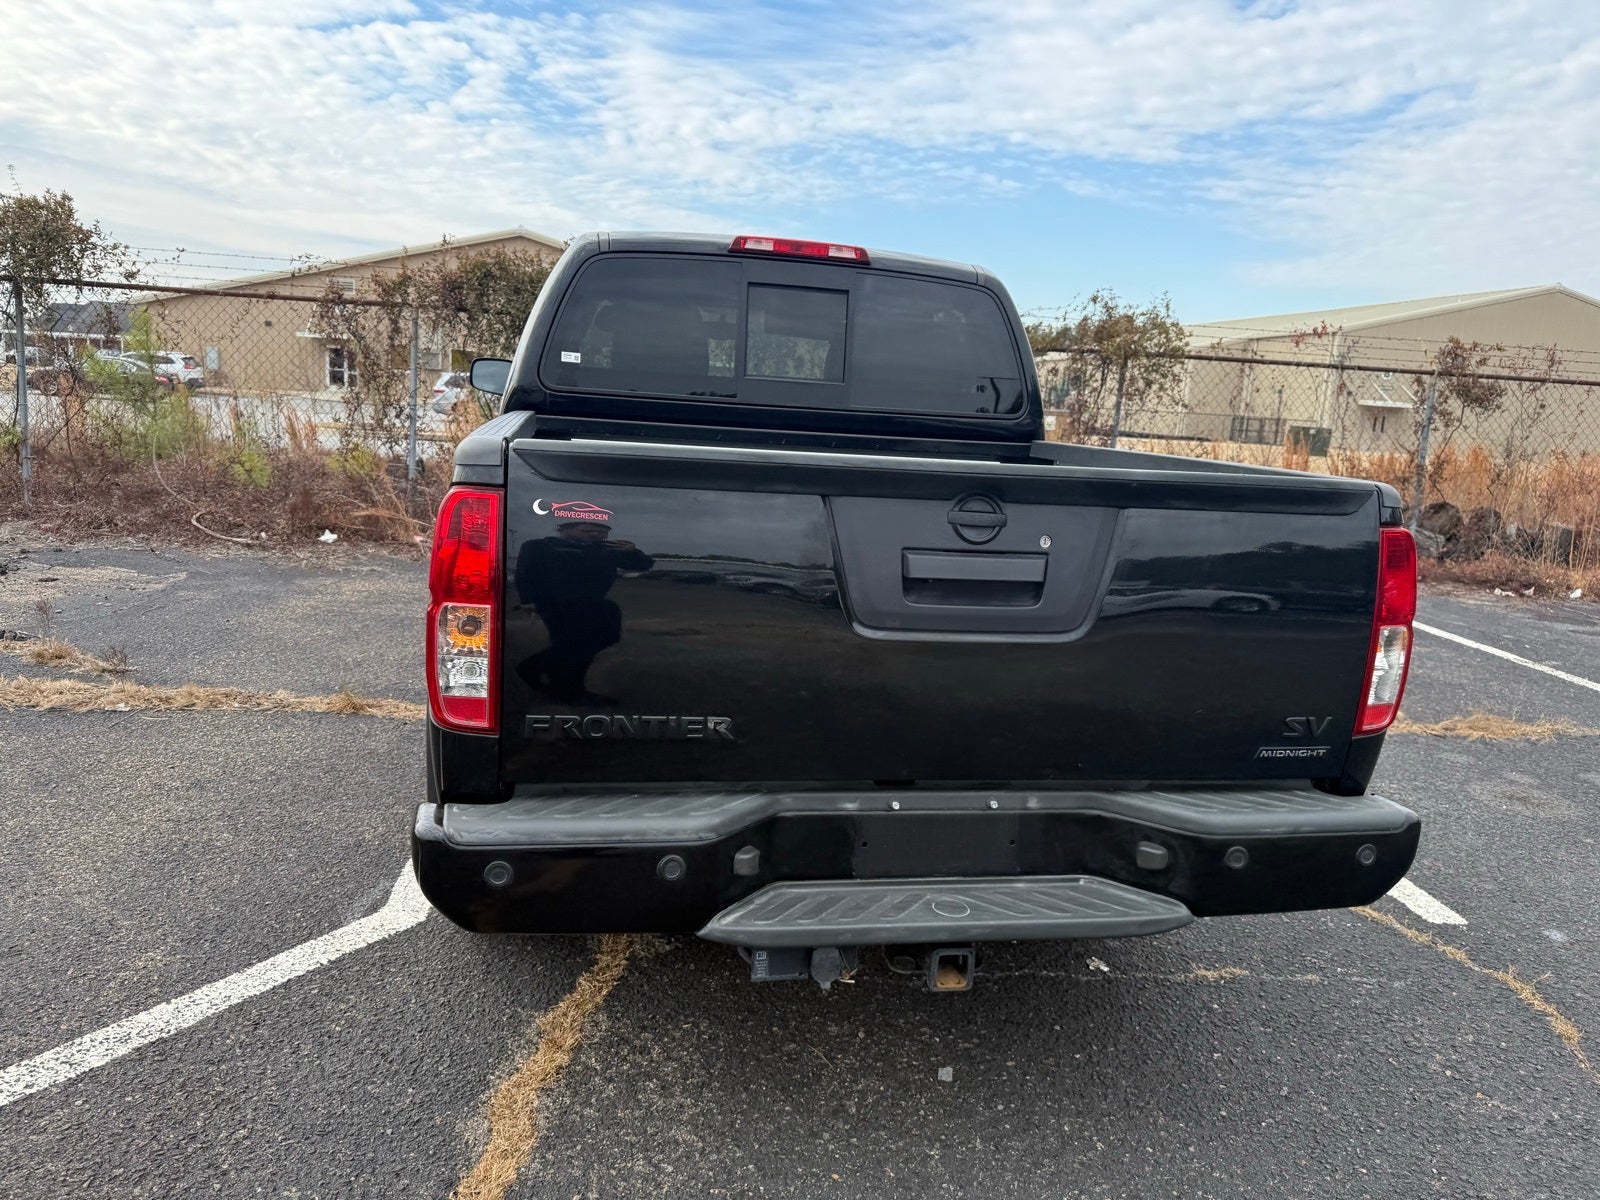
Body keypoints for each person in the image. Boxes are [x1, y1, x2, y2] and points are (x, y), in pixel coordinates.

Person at [513, 519, 654, 704]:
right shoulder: (540, 546)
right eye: (586, 530)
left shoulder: (606, 550)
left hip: (594, 603)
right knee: (571, 643)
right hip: (555, 603)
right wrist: (528, 600)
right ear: (564, 529)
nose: (595, 534)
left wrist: (633, 551)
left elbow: (642, 565)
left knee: (601, 638)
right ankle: (569, 690)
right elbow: (525, 573)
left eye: (602, 532)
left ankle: (539, 670)